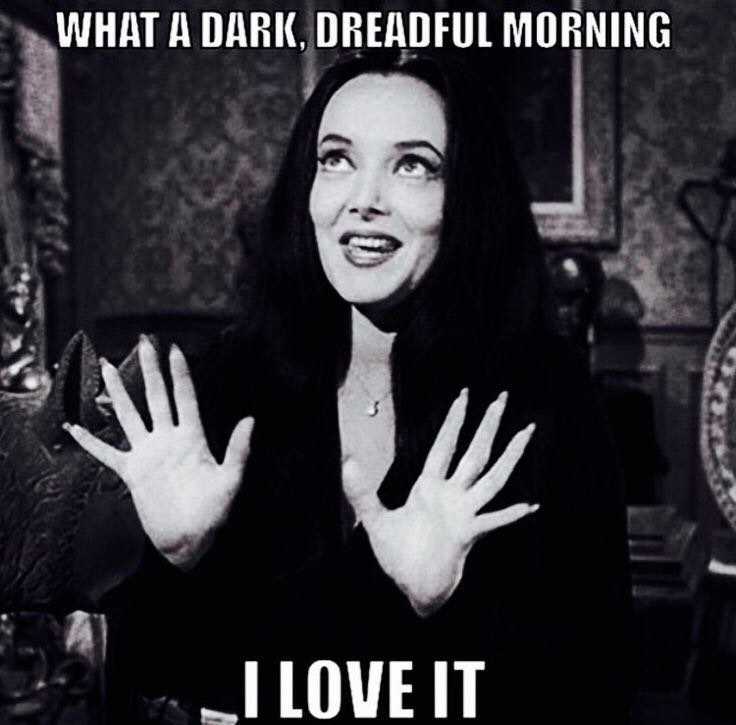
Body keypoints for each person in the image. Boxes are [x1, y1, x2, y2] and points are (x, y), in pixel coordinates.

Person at [64, 49, 634, 723]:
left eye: (412, 165)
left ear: (468, 197)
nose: (364, 200)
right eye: (336, 159)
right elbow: (162, 683)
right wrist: (175, 560)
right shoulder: (228, 379)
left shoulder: (546, 395)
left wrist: (441, 609)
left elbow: (598, 686)